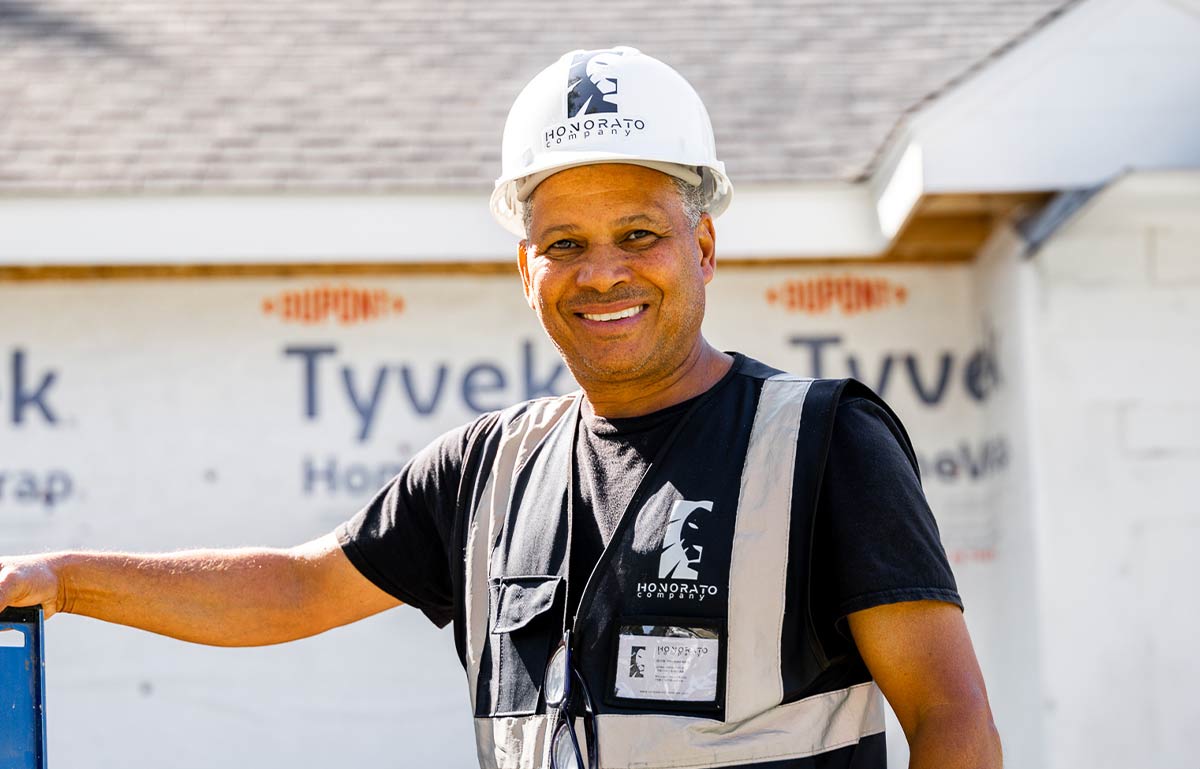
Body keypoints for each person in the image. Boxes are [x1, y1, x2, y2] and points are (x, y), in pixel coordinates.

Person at [0, 47, 1001, 768]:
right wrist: (66, 578)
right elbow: (297, 590)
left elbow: (951, 719)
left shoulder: (823, 443)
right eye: (563, 243)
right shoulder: (488, 470)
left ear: (703, 249)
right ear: (527, 268)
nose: (600, 272)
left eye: (638, 233)